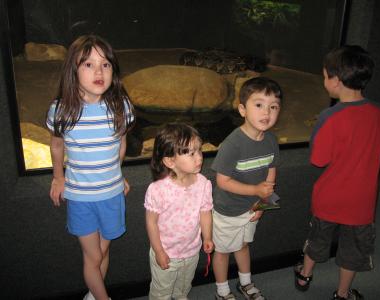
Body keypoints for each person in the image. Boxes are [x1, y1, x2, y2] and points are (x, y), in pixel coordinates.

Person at [293, 45, 380, 300]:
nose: (324, 80)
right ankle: (342, 293)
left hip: (329, 198)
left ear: (336, 81)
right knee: (354, 249)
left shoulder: (329, 117)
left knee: (317, 238)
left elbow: (318, 160)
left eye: (325, 76)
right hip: (362, 202)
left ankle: (305, 275)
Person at [46, 35, 135, 300]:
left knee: (103, 253)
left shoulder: (121, 107)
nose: (99, 71)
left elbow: (120, 145)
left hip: (112, 195)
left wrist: (117, 175)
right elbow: (57, 146)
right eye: (88, 64)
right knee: (93, 255)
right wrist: (57, 177)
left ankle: (94, 295)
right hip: (81, 198)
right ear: (73, 70)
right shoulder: (61, 110)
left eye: (105, 64)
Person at [212, 77, 282, 300]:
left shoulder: (271, 140)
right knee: (222, 251)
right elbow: (222, 182)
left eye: (273, 107)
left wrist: (263, 203)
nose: (267, 112)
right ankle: (222, 291)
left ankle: (245, 283)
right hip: (228, 210)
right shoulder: (233, 143)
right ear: (242, 109)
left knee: (242, 246)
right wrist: (256, 192)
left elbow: (271, 176)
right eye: (259, 105)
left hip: (252, 208)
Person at [144, 123, 214, 300]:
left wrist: (207, 237)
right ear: (169, 161)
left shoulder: (203, 183)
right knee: (162, 292)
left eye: (199, 150)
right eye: (191, 154)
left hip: (191, 251)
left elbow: (205, 212)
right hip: (166, 252)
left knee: (183, 287)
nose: (199, 157)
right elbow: (151, 222)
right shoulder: (158, 190)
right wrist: (159, 251)